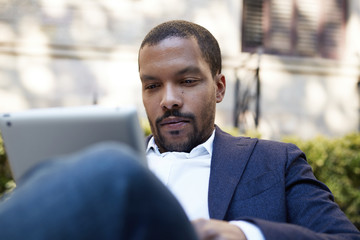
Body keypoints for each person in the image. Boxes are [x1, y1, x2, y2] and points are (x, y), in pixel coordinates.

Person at [0, 20, 359, 240]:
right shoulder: (111, 168)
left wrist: (244, 234)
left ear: (219, 87)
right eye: (152, 86)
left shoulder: (275, 161)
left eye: (186, 81)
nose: (168, 100)